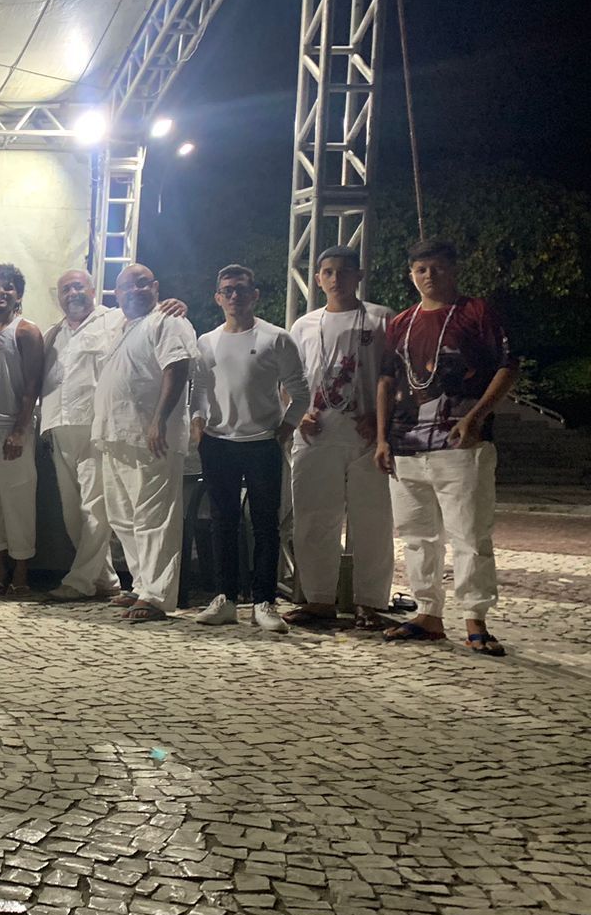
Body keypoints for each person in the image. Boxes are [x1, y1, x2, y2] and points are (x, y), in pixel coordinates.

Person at [375, 240, 518, 656]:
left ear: (454, 269)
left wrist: (476, 416)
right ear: (411, 275)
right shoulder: (401, 322)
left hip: (461, 444)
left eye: (437, 267)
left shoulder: (476, 312)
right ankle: (428, 614)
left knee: (470, 534)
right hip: (405, 444)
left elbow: (508, 366)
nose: (429, 276)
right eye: (421, 269)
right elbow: (386, 380)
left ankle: (475, 618)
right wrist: (382, 438)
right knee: (416, 535)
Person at [189, 264, 308, 633]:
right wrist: (198, 423)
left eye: (241, 289)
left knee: (266, 524)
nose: (234, 296)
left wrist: (285, 429)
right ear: (218, 297)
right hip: (218, 443)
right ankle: (225, 598)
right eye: (227, 290)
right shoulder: (206, 341)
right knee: (222, 522)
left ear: (254, 294)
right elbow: (199, 389)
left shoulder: (276, 338)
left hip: (262, 443)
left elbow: (301, 392)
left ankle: (263, 601)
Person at [286, 246, 395, 629]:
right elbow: (289, 381)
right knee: (314, 518)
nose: (336, 279)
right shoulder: (303, 325)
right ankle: (318, 599)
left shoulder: (381, 319)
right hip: (316, 436)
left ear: (359, 275)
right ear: (318, 279)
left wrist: (381, 419)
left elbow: (396, 376)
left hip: (367, 437)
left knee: (373, 521)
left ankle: (370, 602)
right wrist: (298, 414)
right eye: (328, 272)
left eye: (344, 271)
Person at [93, 263, 198, 623]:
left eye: (142, 284)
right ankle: (140, 584)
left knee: (155, 516)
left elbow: (177, 367)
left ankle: (156, 595)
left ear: (155, 287)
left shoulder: (167, 320)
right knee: (123, 516)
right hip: (116, 433)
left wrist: (159, 419)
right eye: (127, 287)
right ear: (117, 294)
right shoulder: (120, 327)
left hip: (152, 436)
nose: (135, 291)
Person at [40, 269, 124, 602]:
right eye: (65, 289)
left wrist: (172, 306)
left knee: (95, 507)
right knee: (71, 511)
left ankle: (80, 581)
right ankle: (106, 579)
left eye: (78, 287)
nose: (72, 293)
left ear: (92, 290)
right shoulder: (53, 333)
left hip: (95, 425)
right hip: (58, 426)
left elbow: (151, 323)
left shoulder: (114, 320)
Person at [0, 265, 44, 596]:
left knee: (18, 500)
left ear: (19, 295)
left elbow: (32, 387)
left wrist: (19, 430)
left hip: (13, 429)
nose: (2, 292)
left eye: (10, 287)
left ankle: (21, 571)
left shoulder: (26, 331)